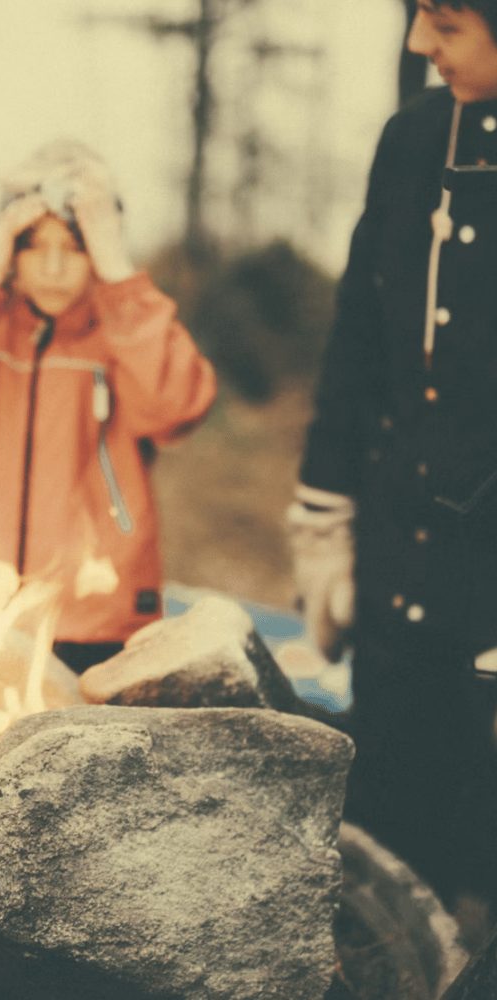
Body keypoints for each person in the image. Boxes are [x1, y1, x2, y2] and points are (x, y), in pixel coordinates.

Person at [288, 0, 497, 915]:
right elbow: (359, 345)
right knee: (382, 831)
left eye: (446, 23)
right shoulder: (412, 138)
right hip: (395, 553)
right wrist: (325, 519)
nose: (420, 44)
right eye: (417, 16)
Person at [0, 140, 216, 674]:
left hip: (95, 621)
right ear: (10, 248)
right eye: (35, 245)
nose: (55, 266)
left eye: (76, 245)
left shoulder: (124, 329)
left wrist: (119, 277)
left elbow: (176, 407)